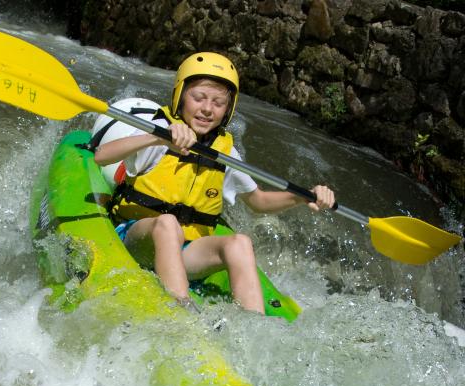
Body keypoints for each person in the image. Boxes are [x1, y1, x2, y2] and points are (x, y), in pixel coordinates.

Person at [94, 52, 335, 313]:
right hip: (139, 238)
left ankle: (255, 324)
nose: (207, 109)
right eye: (198, 98)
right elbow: (102, 156)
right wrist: (158, 138)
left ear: (228, 110)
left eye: (219, 103)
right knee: (168, 223)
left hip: (186, 252)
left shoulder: (225, 153)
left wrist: (303, 196)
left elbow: (259, 201)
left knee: (240, 242)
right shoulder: (159, 129)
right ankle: (180, 312)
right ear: (181, 96)